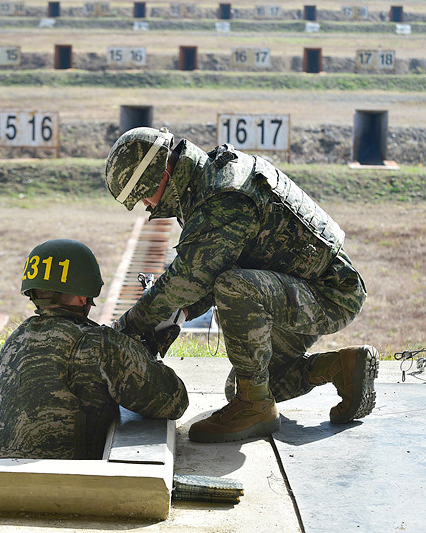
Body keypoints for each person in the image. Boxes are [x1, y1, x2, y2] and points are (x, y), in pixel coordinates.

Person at [104, 127, 377, 443]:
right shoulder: (206, 184)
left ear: (160, 175)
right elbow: (207, 270)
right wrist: (177, 316)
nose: (148, 206)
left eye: (142, 195)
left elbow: (183, 282)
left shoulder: (223, 197)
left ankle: (254, 408)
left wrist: (123, 331)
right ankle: (340, 367)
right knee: (243, 384)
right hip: (297, 289)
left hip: (329, 294)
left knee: (235, 288)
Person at [0, 238, 188, 459]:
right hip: (73, 487)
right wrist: (146, 349)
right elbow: (173, 400)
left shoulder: (15, 340)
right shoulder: (97, 343)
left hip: (8, 485)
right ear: (84, 295)